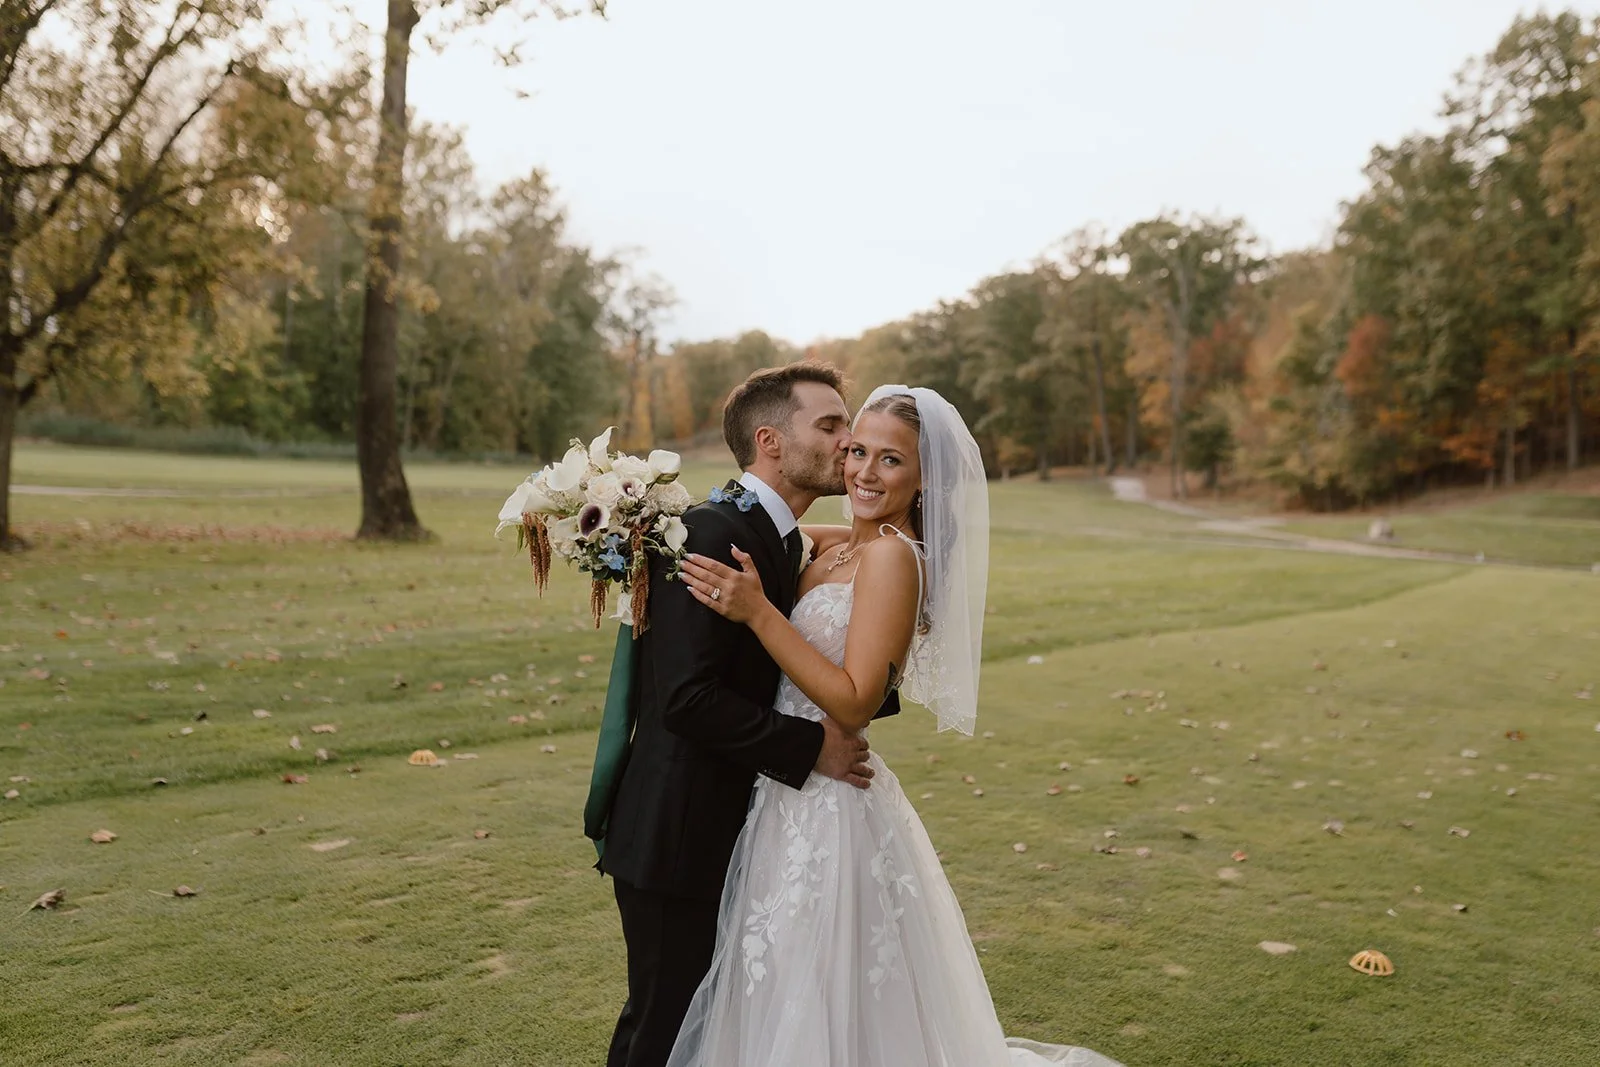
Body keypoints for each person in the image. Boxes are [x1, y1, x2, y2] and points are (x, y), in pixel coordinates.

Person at [670, 386, 1122, 1067]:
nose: (864, 473)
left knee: (817, 985)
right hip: (785, 793)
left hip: (831, 806)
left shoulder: (890, 557)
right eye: (856, 451)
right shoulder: (840, 545)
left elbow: (853, 701)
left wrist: (760, 612)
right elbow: (764, 525)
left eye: (891, 461)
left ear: (923, 479)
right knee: (779, 980)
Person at [597, 362, 899, 1067]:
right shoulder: (708, 533)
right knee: (664, 1030)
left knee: (707, 1029)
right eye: (830, 425)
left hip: (744, 831)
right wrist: (810, 747)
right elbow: (686, 697)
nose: (848, 440)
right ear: (770, 440)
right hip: (677, 832)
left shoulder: (787, 537)